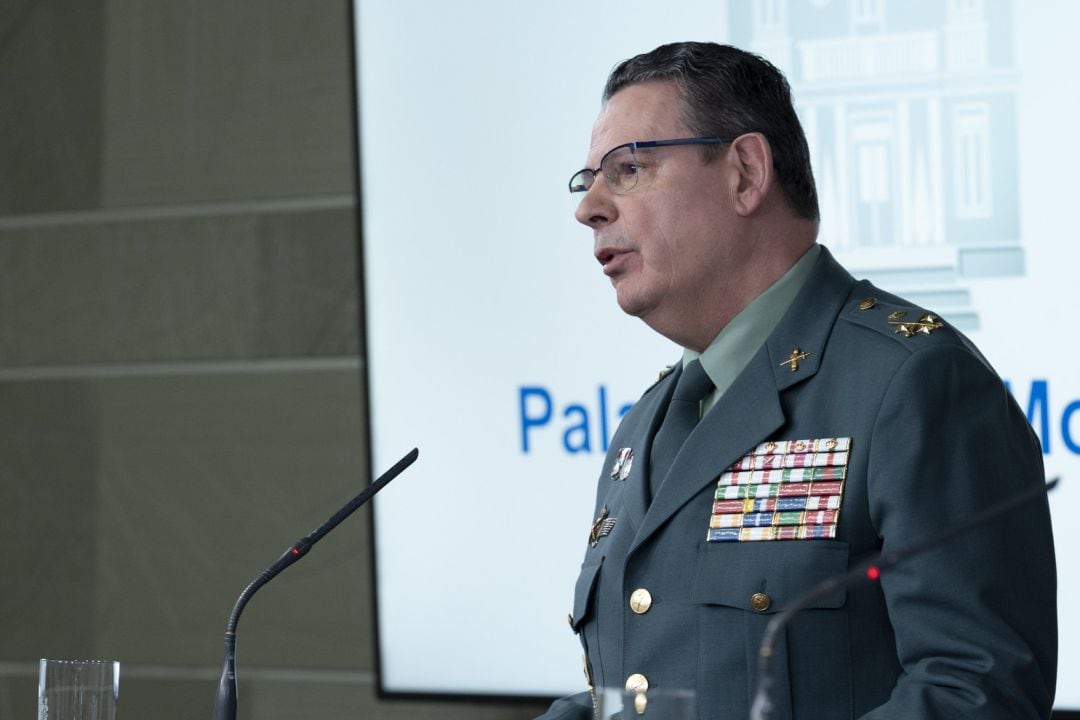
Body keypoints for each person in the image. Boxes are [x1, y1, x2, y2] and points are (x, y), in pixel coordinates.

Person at [538, 42, 1056, 720]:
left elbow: (974, 694)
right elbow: (654, 683)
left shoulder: (912, 383)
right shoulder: (647, 425)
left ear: (745, 174)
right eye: (589, 181)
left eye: (629, 168)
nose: (590, 209)